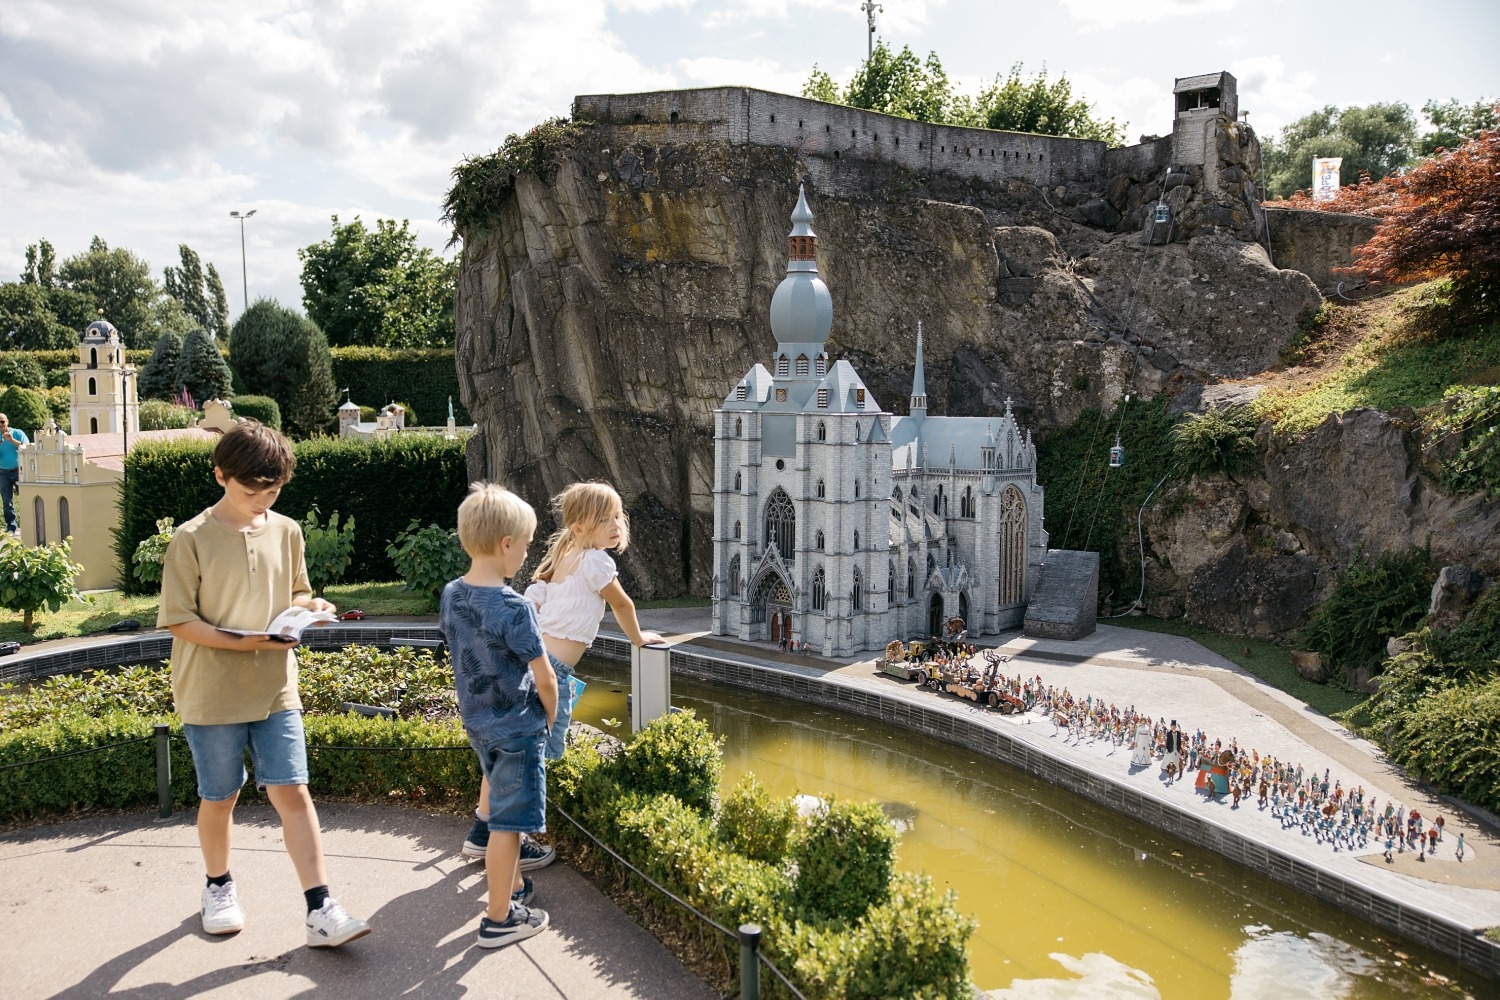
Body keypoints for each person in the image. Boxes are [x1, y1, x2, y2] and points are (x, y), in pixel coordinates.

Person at [156, 421, 370, 947]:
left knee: (293, 790)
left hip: (276, 687)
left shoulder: (287, 530)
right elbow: (179, 621)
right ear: (220, 475)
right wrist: (247, 642)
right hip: (209, 691)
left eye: (272, 492)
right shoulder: (191, 538)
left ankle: (321, 907)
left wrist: (313, 607)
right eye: (251, 491)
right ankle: (218, 886)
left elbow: (297, 593)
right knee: (220, 796)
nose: (262, 501)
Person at [461, 482, 664, 860]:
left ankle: (480, 832)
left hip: (523, 665)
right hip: (545, 673)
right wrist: (638, 638)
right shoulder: (595, 562)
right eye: (604, 519)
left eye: (618, 516)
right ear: (580, 529)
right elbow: (621, 604)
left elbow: (535, 608)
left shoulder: (564, 559)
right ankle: (513, 844)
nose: (615, 525)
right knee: (526, 758)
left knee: (506, 753)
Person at [442, 482, 558, 947]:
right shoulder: (515, 606)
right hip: (517, 728)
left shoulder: (452, 593)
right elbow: (545, 677)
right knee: (509, 825)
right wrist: (550, 720)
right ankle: (499, 919)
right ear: (506, 545)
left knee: (501, 816)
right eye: (526, 547)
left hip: (478, 724)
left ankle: (511, 887)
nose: (526, 556)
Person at [0, 413, 30, 535]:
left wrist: (11, 440)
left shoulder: (17, 433)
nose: (0, 425)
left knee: (26, 499)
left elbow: (27, 447)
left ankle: (29, 527)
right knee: (7, 502)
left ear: (8, 421)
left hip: (19, 470)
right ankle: (12, 528)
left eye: (2, 422)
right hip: (3, 472)